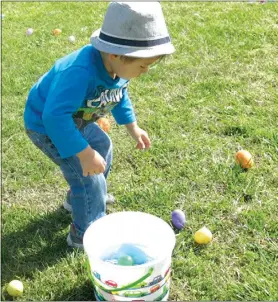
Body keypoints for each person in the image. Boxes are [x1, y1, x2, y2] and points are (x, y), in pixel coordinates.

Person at [24, 2, 175, 248]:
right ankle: (84, 234)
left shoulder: (118, 67)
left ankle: (81, 199)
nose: (145, 71)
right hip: (47, 125)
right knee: (88, 176)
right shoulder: (79, 71)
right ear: (115, 54)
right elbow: (54, 117)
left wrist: (133, 127)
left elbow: (119, 94)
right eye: (142, 65)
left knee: (102, 145)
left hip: (74, 121)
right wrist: (83, 153)